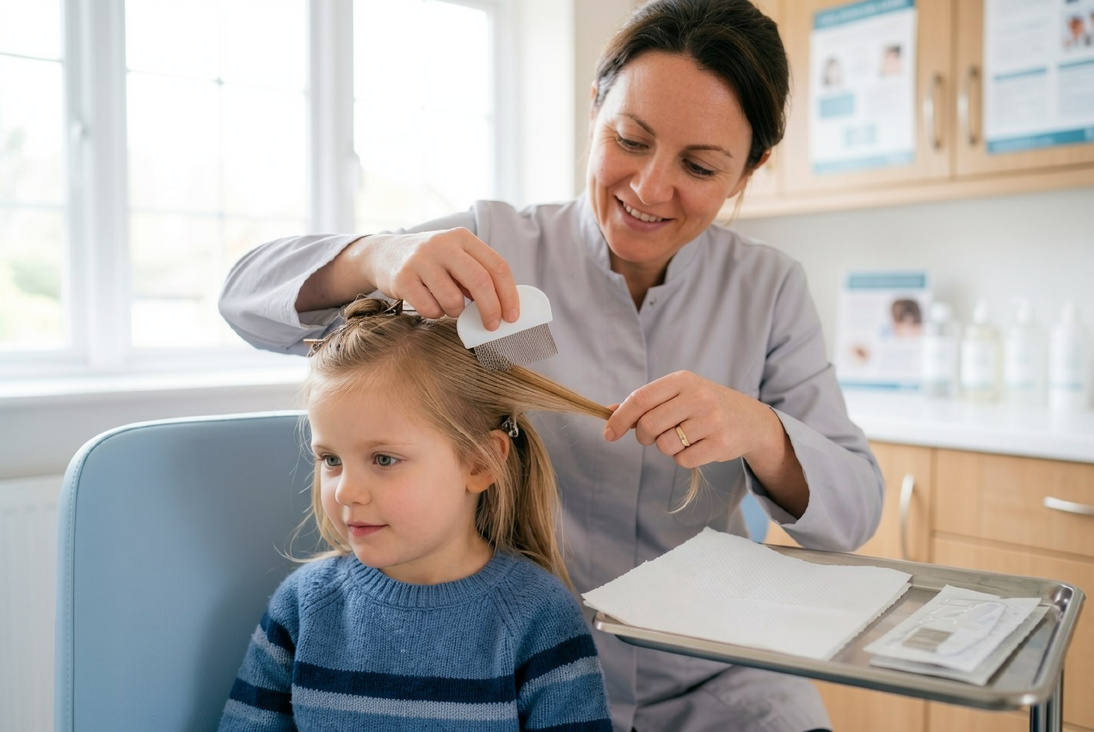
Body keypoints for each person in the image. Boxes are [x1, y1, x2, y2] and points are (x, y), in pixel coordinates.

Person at [218, 1, 884, 729]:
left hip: (711, 684)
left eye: (698, 165)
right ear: (594, 108)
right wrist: (374, 254)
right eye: (629, 140)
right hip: (508, 671)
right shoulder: (494, 243)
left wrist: (759, 429)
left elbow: (852, 513)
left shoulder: (769, 289)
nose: (649, 188)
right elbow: (243, 299)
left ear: (750, 167)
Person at [217, 298, 615, 731]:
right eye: (330, 459)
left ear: (481, 462)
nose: (346, 490)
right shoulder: (303, 604)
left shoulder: (538, 615)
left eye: (384, 460)